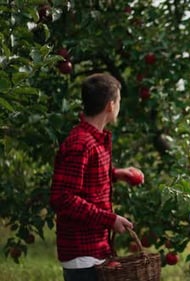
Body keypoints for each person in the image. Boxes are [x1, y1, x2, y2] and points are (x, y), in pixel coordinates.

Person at [50, 73, 145, 281]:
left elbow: (84, 178)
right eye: (119, 100)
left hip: (95, 247)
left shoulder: (93, 140)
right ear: (111, 106)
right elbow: (63, 198)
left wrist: (117, 174)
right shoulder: (80, 143)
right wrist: (109, 219)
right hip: (81, 250)